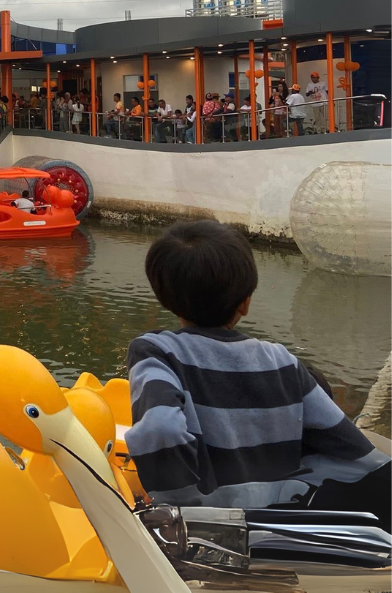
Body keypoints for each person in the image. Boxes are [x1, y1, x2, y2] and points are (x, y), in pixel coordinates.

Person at [126, 221, 390, 527]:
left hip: (203, 529)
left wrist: (182, 504)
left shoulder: (156, 351)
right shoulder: (282, 361)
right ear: (246, 303)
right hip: (277, 524)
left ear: (163, 297)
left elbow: (160, 428)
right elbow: (349, 447)